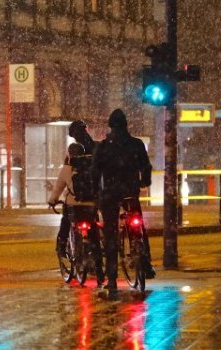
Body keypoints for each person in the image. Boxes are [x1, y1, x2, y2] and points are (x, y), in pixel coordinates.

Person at [91, 108, 156, 295]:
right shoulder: (136, 144)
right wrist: (145, 181)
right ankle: (146, 263)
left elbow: (94, 172)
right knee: (139, 227)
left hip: (110, 194)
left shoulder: (103, 146)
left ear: (110, 126)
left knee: (111, 235)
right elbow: (146, 166)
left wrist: (96, 192)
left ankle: (111, 279)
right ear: (126, 125)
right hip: (130, 192)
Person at [47, 120, 97, 257]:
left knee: (66, 220)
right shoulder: (94, 147)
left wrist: (52, 200)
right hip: (92, 199)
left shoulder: (69, 163)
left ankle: (62, 246)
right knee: (94, 223)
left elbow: (59, 185)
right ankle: (97, 251)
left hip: (74, 202)